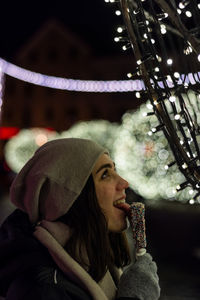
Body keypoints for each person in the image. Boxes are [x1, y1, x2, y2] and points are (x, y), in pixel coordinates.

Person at [0, 138, 160, 300]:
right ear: (69, 198)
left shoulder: (95, 261)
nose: (124, 183)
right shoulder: (42, 290)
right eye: (105, 174)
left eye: (115, 170)